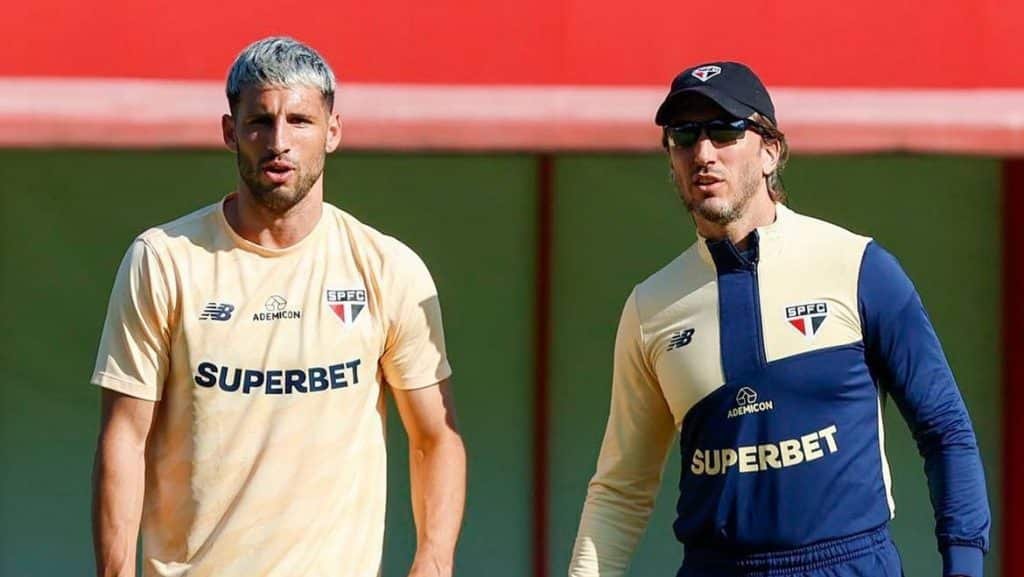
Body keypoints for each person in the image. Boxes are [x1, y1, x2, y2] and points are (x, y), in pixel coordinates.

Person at [567, 62, 990, 577]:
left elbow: (945, 429)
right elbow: (619, 491)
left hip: (848, 564)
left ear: (770, 150)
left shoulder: (857, 266)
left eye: (724, 131)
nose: (703, 153)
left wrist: (964, 564)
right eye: (684, 135)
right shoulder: (650, 306)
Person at [90, 36, 466, 577]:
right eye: (260, 121)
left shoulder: (387, 268)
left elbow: (436, 436)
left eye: (300, 121)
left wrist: (433, 560)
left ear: (333, 131)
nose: (279, 141)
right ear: (230, 132)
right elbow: (123, 437)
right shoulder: (165, 261)